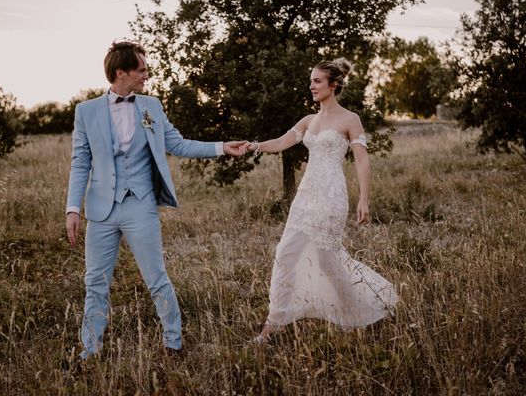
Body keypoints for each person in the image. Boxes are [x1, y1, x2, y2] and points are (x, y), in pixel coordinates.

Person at [65, 40, 244, 359]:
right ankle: (90, 350)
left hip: (140, 205)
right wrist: (73, 208)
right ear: (121, 72)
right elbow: (81, 161)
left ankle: (173, 342)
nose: (147, 75)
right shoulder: (86, 111)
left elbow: (178, 144)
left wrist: (220, 147)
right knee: (95, 282)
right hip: (101, 210)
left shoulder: (152, 106)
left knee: (156, 277)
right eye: (141, 70)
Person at [244, 58, 398, 343]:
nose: (311, 86)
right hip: (305, 197)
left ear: (333, 85)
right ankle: (342, 313)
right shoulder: (308, 120)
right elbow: (280, 142)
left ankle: (277, 325)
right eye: (311, 80)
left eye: (317, 81)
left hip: (331, 197)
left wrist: (364, 199)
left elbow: (362, 161)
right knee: (304, 258)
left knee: (310, 258)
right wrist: (253, 146)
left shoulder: (350, 119)